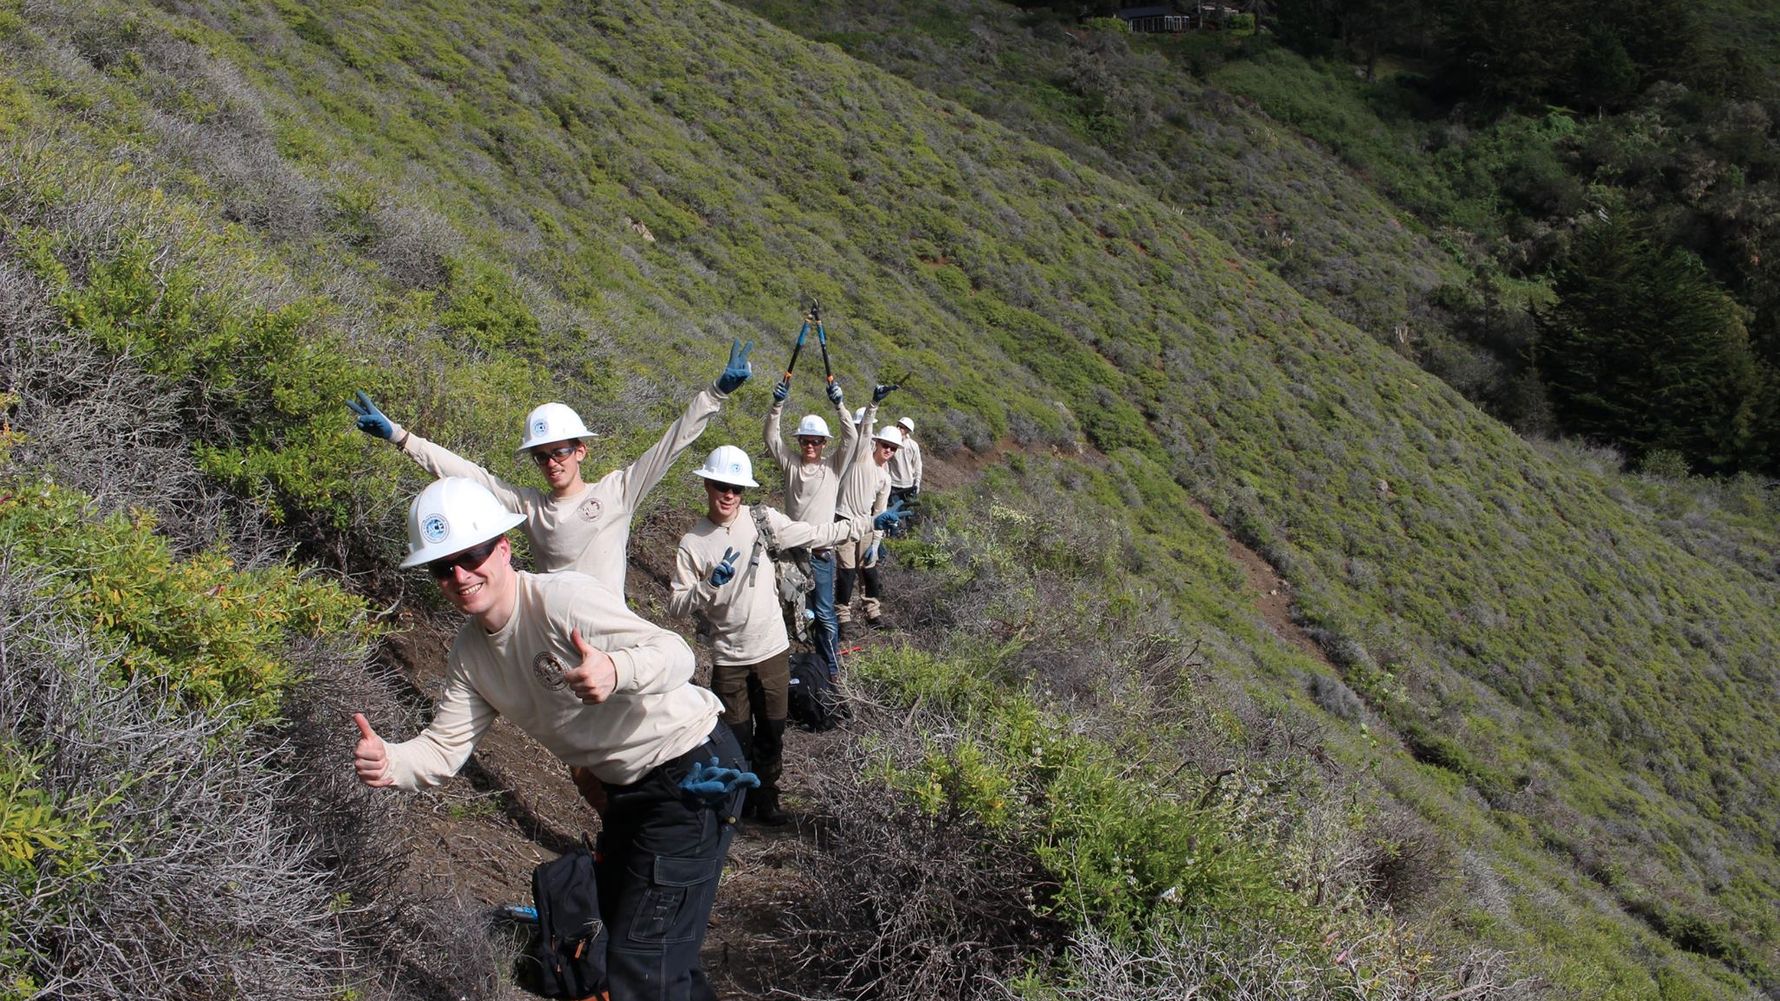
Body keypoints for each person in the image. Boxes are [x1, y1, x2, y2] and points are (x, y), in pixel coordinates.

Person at [352, 476, 748, 1001]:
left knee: (642, 964)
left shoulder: (561, 600)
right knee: (646, 949)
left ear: (503, 548)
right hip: (629, 791)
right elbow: (443, 749)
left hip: (691, 771)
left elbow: (677, 654)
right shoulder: (471, 654)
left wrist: (616, 670)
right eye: (442, 567)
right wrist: (391, 762)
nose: (460, 575)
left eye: (470, 555)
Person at [346, 340, 754, 596]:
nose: (551, 462)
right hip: (555, 635)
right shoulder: (530, 507)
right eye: (541, 456)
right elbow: (469, 475)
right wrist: (401, 437)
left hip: (611, 637)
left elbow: (672, 443)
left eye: (558, 451)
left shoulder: (617, 491)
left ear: (580, 451)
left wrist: (714, 394)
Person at [667, 445, 879, 824]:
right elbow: (676, 605)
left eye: (736, 488)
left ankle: (766, 800)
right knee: (735, 740)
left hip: (772, 651)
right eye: (721, 486)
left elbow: (816, 533)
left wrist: (868, 523)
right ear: (707, 485)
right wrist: (707, 586)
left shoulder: (762, 520)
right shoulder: (693, 543)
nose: (729, 495)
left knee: (772, 732)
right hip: (728, 659)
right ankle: (737, 808)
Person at [762, 374, 858, 680]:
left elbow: (852, 438)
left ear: (824, 443)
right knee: (790, 608)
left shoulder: (833, 467)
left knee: (825, 613)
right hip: (792, 555)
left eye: (816, 441)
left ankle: (830, 669)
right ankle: (791, 662)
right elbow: (771, 437)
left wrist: (840, 405)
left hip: (820, 554)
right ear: (800, 442)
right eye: (805, 440)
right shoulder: (791, 464)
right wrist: (777, 404)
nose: (811, 445)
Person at [887, 416, 922, 516]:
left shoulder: (913, 445)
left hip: (908, 486)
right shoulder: (891, 442)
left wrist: (917, 483)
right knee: (893, 512)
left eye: (902, 427)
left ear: (908, 430)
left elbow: (917, 465)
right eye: (898, 426)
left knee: (904, 512)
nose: (899, 428)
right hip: (893, 484)